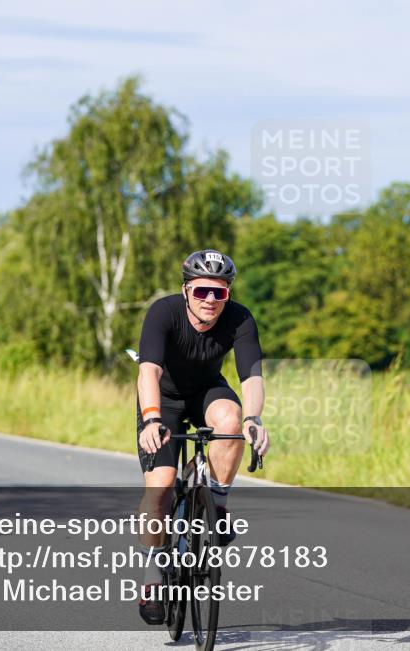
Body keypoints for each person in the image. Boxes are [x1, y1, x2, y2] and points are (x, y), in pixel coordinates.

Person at [134, 249, 269, 624]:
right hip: (164, 400)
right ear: (186, 290)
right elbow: (148, 372)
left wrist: (255, 419)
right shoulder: (164, 312)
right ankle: (152, 577)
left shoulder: (240, 318)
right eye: (202, 292)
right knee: (159, 489)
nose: (211, 300)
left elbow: (251, 376)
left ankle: (218, 503)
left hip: (208, 391)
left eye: (220, 292)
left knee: (231, 417)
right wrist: (151, 420)